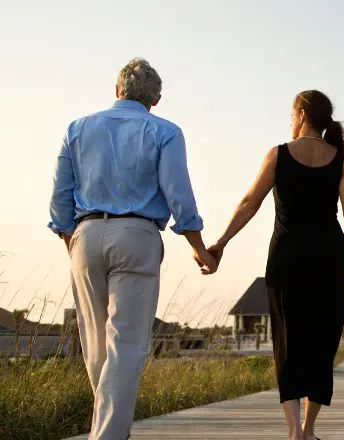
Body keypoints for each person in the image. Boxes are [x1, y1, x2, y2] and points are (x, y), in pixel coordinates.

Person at [47, 57, 216, 440]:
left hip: (85, 234)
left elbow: (59, 199)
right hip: (137, 235)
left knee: (95, 343)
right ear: (155, 99)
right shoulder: (165, 131)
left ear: (117, 90)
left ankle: (111, 430)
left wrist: (71, 241)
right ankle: (108, 435)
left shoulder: (77, 129)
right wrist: (198, 246)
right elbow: (179, 196)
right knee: (126, 344)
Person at [208, 90, 344, 440]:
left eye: (291, 114)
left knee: (287, 342)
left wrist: (221, 242)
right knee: (322, 341)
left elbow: (250, 202)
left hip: (287, 258)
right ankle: (310, 430)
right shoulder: (343, 161)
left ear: (301, 114)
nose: (290, 120)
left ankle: (294, 431)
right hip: (329, 259)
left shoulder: (279, 154)